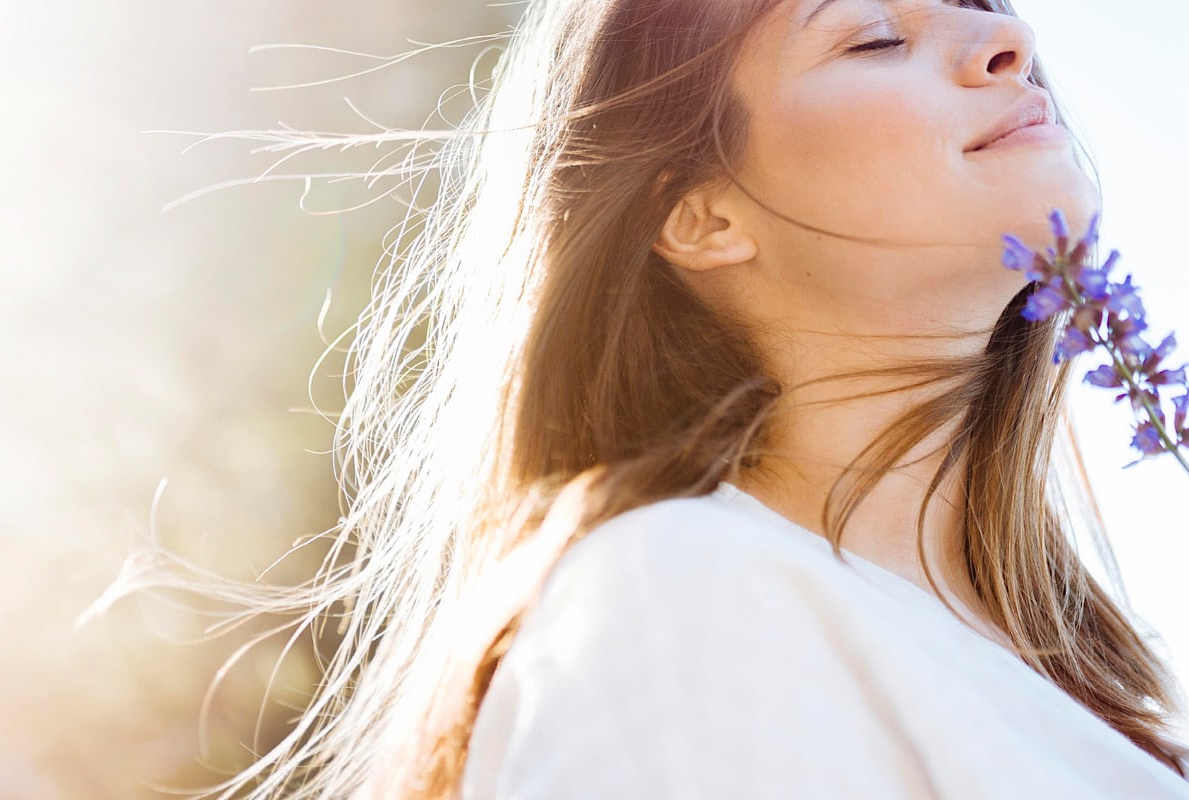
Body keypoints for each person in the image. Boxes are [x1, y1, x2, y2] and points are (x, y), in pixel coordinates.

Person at [203, 0, 1189, 797]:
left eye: (976, 3)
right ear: (703, 216)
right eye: (874, 37)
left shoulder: (1083, 696)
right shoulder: (681, 592)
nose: (1009, 39)